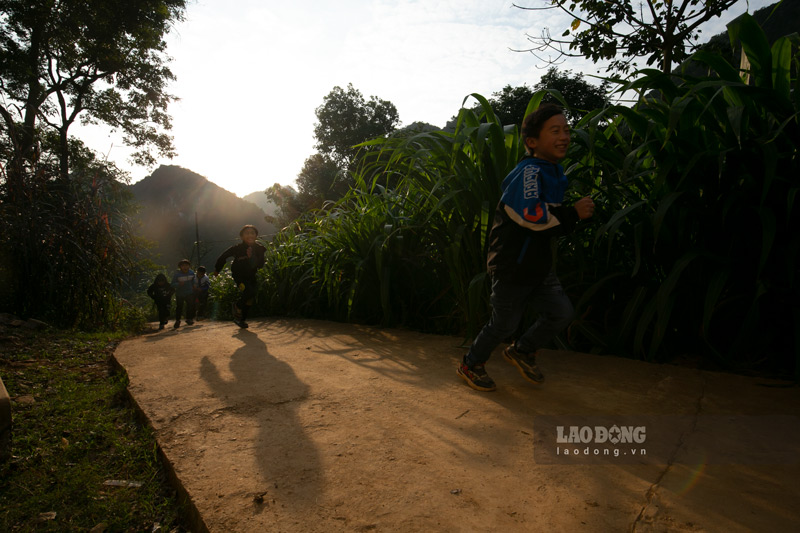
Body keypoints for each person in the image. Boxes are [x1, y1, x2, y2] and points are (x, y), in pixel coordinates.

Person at [457, 103, 595, 392]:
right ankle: (471, 364)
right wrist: (573, 214)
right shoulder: (530, 172)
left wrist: (570, 214)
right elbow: (531, 217)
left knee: (561, 313)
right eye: (555, 131)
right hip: (512, 267)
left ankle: (522, 350)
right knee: (503, 325)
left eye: (566, 130)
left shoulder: (552, 171)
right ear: (532, 142)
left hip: (538, 267)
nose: (564, 136)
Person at [213, 225, 267, 328]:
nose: (250, 235)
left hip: (251, 275)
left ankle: (241, 320)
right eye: (247, 233)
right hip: (239, 276)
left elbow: (260, 265)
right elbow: (223, 256)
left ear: (256, 236)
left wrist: (253, 258)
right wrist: (217, 269)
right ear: (242, 237)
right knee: (249, 292)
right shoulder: (237, 248)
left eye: (252, 233)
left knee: (250, 297)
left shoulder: (260, 248)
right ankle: (236, 305)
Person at [171, 259, 197, 329]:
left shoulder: (192, 273)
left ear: (189, 266)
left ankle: (189, 319)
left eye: (186, 265)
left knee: (190, 306)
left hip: (189, 292)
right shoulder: (177, 275)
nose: (185, 267)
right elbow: (172, 284)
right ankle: (178, 320)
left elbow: (194, 280)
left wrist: (194, 284)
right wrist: (178, 284)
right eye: (183, 266)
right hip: (180, 293)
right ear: (180, 267)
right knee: (179, 307)